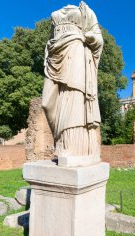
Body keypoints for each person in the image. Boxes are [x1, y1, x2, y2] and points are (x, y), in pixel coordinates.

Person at [42, 1, 103, 161]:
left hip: (76, 50)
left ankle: (72, 148)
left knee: (74, 98)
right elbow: (51, 34)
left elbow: (98, 38)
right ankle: (60, 140)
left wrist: (90, 38)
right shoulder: (56, 13)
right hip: (55, 51)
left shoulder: (85, 10)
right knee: (47, 103)